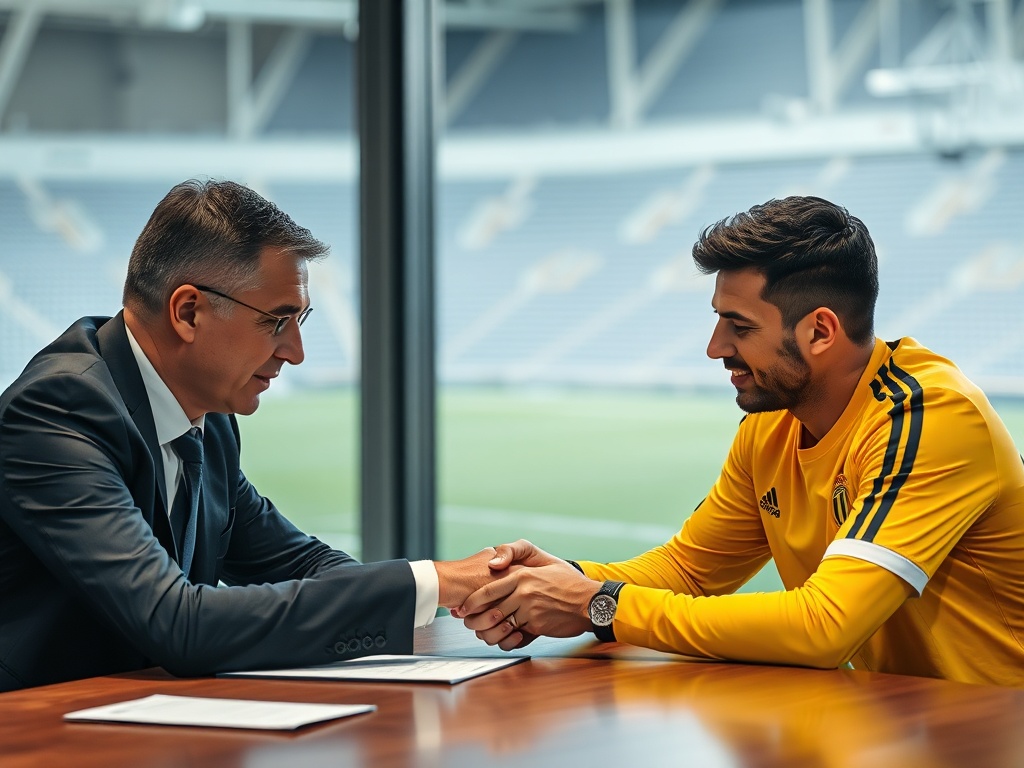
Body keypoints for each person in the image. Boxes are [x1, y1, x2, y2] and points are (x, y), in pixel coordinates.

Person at [456, 195, 1024, 686]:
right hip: (906, 718)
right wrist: (565, 581)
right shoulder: (772, 421)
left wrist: (598, 605)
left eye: (740, 326)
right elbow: (690, 572)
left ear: (820, 331)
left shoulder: (929, 415)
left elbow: (826, 626)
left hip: (998, 724)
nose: (714, 347)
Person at [0, 179, 497, 692]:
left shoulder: (207, 418)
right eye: (277, 321)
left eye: (300, 319)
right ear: (188, 312)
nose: (297, 351)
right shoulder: (56, 411)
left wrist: (485, 586)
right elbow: (180, 624)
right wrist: (436, 580)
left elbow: (299, 562)